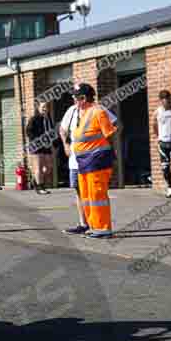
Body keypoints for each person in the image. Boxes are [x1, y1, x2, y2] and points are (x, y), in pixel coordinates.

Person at [60, 83, 118, 235]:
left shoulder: (98, 112)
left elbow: (110, 135)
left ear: (84, 98)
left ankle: (103, 228)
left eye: (75, 97)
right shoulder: (83, 113)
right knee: (87, 196)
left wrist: (104, 154)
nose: (73, 100)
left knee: (97, 195)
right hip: (84, 161)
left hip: (97, 160)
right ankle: (93, 226)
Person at [25, 101, 54, 194]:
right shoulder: (34, 119)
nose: (45, 109)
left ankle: (36, 181)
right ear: (38, 109)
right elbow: (28, 131)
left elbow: (51, 132)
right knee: (39, 167)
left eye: (46, 107)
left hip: (47, 146)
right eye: (43, 108)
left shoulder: (48, 119)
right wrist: (37, 140)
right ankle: (40, 187)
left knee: (48, 167)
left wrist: (55, 143)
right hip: (37, 146)